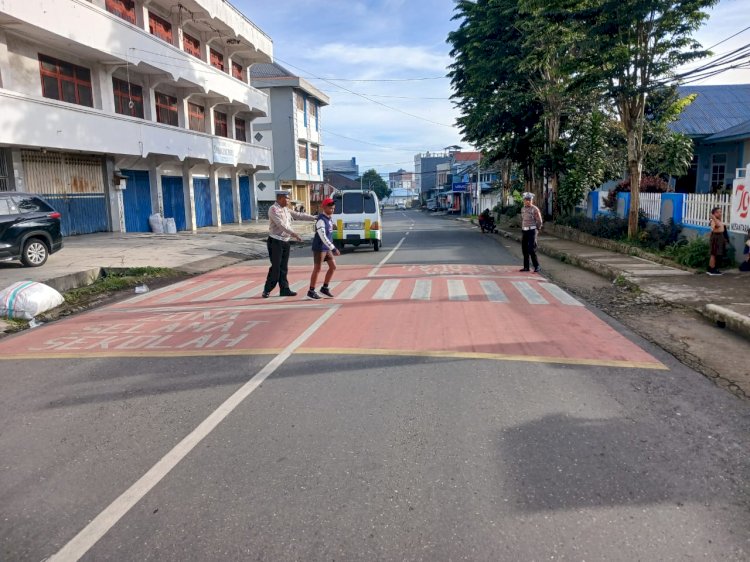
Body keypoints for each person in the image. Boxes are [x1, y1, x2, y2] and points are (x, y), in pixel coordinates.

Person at [262, 190, 316, 298]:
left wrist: (315, 217)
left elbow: (299, 215)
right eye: (287, 198)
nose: (288, 200)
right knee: (276, 268)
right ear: (280, 198)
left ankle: (284, 289)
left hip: (285, 242)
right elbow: (281, 225)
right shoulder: (273, 209)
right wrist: (294, 234)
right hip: (275, 241)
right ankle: (267, 289)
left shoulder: (286, 209)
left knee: (284, 267)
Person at [307, 197, 341, 299]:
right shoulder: (321, 220)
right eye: (330, 208)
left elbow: (329, 232)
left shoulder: (329, 218)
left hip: (326, 248)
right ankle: (311, 291)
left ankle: (324, 288)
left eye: (333, 208)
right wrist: (333, 248)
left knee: (333, 267)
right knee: (317, 269)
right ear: (324, 207)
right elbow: (323, 236)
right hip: (320, 248)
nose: (332, 210)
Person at [519, 192, 543, 272]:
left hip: (532, 231)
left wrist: (537, 230)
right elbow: (523, 219)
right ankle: (526, 267)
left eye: (529, 200)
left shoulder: (534, 209)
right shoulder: (523, 209)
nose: (527, 201)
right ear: (524, 200)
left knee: (531, 249)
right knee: (524, 249)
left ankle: (537, 266)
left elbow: (539, 221)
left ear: (532, 200)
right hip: (525, 230)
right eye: (526, 200)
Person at [707, 206, 726, 276]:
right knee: (714, 254)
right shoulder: (713, 220)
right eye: (717, 212)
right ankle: (712, 269)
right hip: (716, 237)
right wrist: (713, 217)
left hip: (719, 237)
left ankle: (711, 268)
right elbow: (717, 226)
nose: (720, 213)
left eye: (720, 212)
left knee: (716, 253)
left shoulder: (718, 220)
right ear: (713, 213)